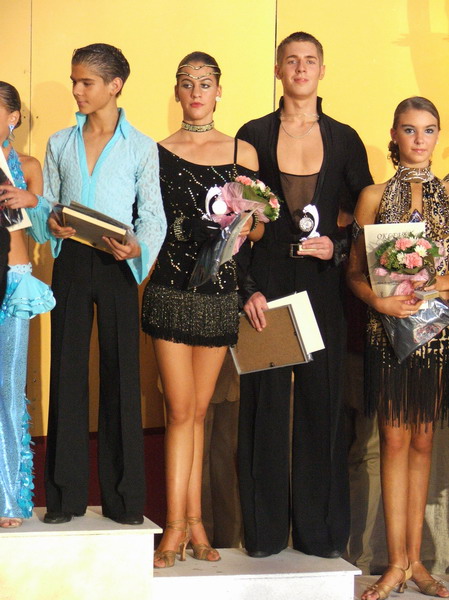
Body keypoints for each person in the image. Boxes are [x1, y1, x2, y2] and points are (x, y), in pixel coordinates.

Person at [236, 31, 373, 559]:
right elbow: (236, 221)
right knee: (264, 407)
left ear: (321, 70)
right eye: (291, 60)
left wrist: (337, 247)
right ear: (278, 69)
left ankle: (321, 537)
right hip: (267, 286)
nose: (300, 68)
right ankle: (264, 536)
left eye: (309, 60)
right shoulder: (252, 135)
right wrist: (247, 288)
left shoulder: (345, 139)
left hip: (321, 288)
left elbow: (364, 218)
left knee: (322, 407)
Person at [30, 43, 166, 526]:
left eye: (86, 82)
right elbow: (46, 203)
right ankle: (63, 498)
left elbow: (152, 215)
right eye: (74, 81)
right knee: (66, 373)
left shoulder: (141, 146)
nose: (77, 90)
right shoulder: (60, 142)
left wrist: (137, 249)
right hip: (70, 262)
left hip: (117, 266)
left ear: (115, 85)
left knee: (121, 375)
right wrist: (52, 223)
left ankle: (125, 501)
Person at [141, 51, 261, 568]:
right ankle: (174, 527)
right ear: (176, 91)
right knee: (178, 410)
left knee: (199, 412)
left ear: (218, 90)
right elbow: (149, 222)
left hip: (219, 294)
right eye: (187, 83)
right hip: (170, 290)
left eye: (205, 83)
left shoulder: (241, 151)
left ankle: (195, 524)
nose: (196, 92)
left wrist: (244, 225)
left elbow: (259, 228)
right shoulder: (156, 152)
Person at [347, 96, 449, 599]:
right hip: (385, 330)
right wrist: (377, 301)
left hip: (436, 332)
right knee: (391, 441)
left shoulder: (448, 196)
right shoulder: (372, 196)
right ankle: (394, 563)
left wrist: (435, 285)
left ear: (438, 136)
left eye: (428, 130)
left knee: (424, 441)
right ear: (394, 134)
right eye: (409, 130)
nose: (419, 139)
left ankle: (418, 563)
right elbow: (353, 273)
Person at [0, 81, 55, 527]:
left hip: (14, 281)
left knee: (9, 388)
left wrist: (31, 199)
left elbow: (44, 230)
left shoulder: (29, 166)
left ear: (13, 117)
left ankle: (8, 499)